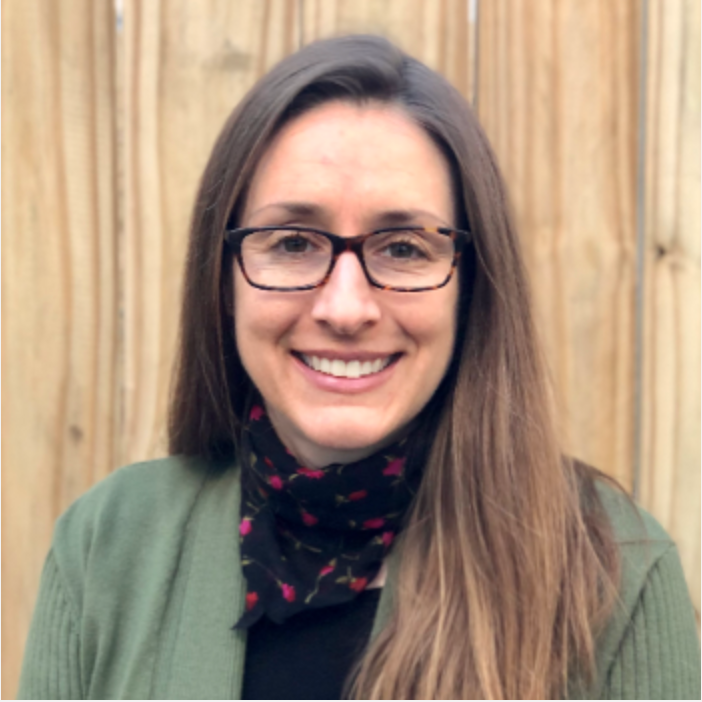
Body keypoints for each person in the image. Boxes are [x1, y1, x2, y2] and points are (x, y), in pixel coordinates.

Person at [18, 35, 699, 700]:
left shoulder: (612, 572)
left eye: (403, 248)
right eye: (290, 241)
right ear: (222, 281)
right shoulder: (108, 546)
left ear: (472, 288)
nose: (345, 307)